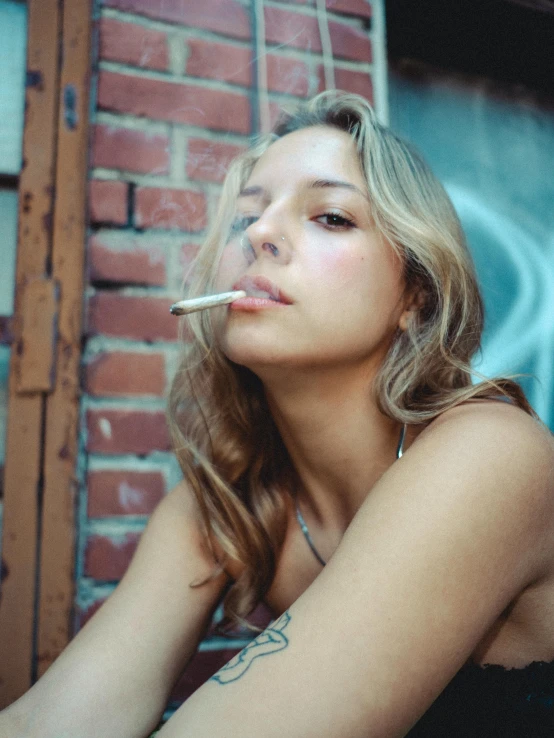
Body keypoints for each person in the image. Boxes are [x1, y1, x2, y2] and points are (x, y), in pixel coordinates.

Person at [1, 91, 553, 738]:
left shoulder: (492, 454)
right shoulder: (230, 500)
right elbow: (57, 719)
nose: (259, 234)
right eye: (244, 219)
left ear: (415, 295)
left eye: (331, 217)